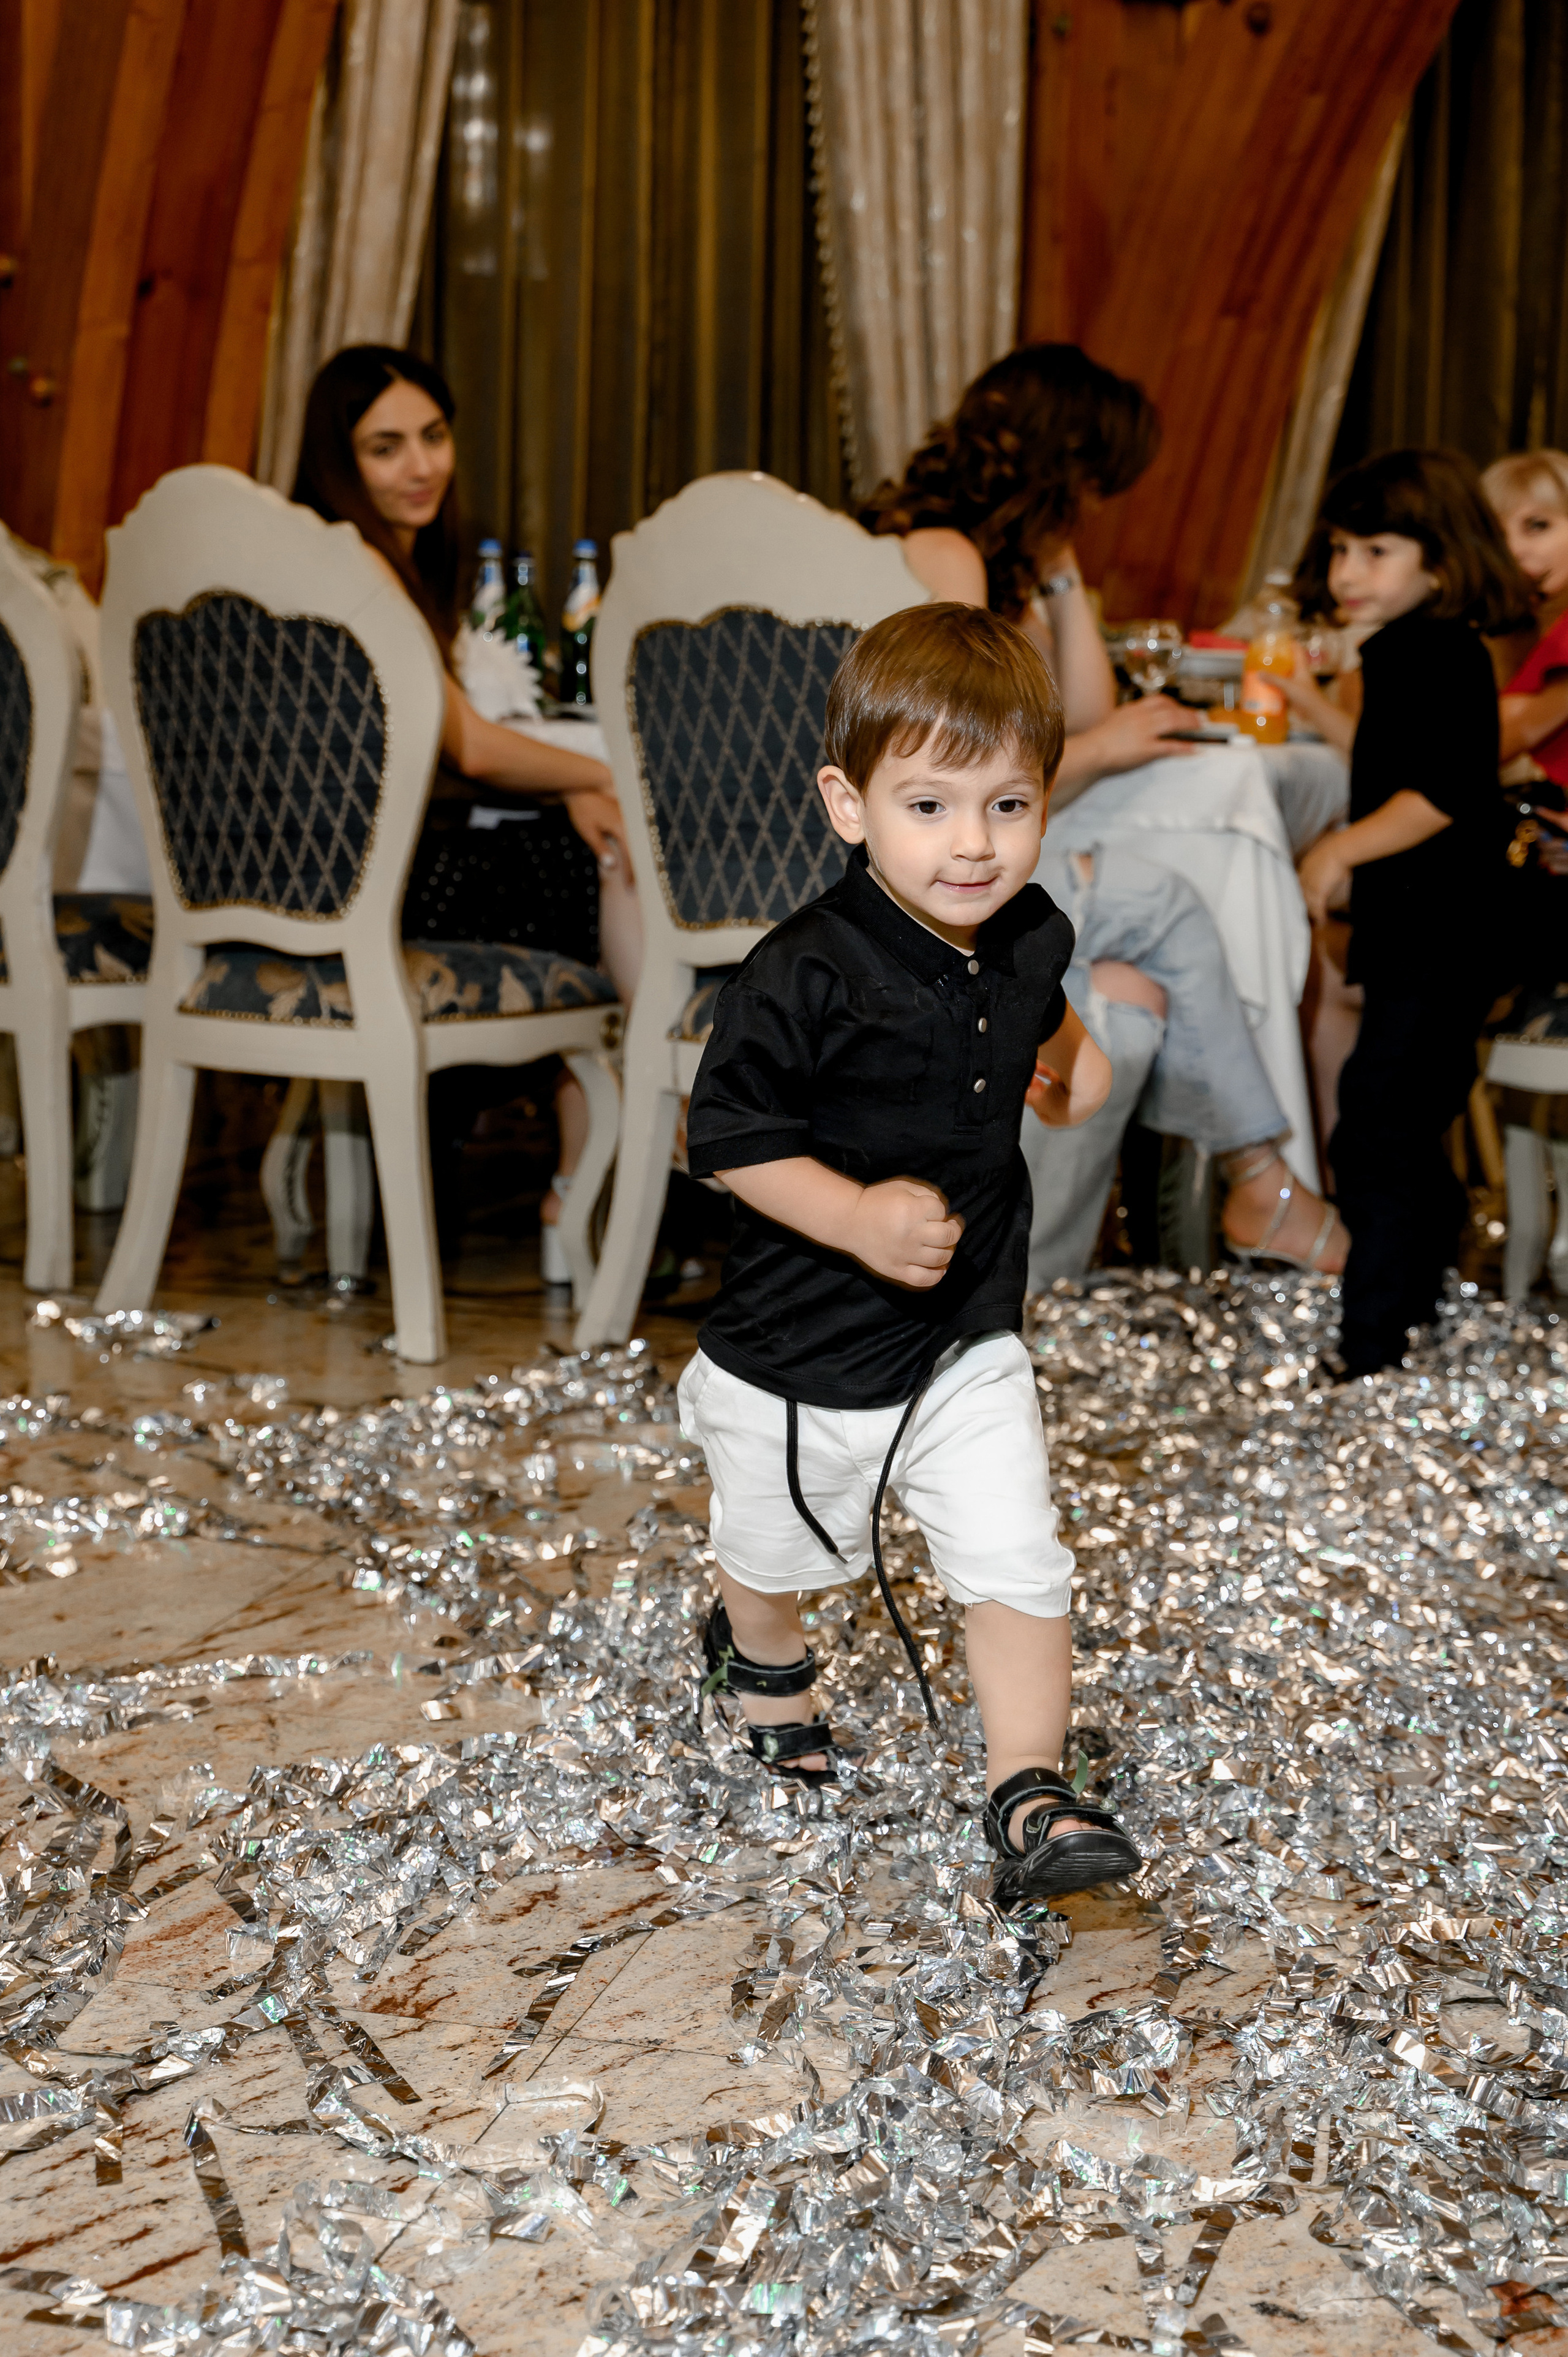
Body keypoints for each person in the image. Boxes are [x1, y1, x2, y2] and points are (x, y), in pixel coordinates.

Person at [679, 604, 1141, 1910]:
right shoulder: (801, 970)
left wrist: (1072, 1073)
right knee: (775, 1553)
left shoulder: (1030, 930)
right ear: (850, 805)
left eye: (1007, 805)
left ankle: (1027, 1788)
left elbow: (1040, 1024)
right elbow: (725, 1137)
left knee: (1014, 1551)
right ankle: (763, 1662)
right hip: (799, 1345)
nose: (972, 843)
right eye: (929, 807)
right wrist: (850, 1216)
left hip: (965, 1331)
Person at [861, 342, 1346, 1276]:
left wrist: (1061, 570)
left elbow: (1083, 711)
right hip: (923, 881)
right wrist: (1111, 748)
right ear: (1063, 467)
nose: (1094, 505)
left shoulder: (989, 563)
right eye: (1091, 484)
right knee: (1170, 905)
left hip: (951, 870)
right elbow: (958, 763)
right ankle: (1261, 1186)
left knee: (1128, 998)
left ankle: (1037, 1286)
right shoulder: (942, 554)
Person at [290, 345, 641, 1264]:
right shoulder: (358, 564)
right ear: (338, 461)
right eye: (386, 448)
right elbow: (471, 748)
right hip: (381, 895)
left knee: (585, 845)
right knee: (604, 857)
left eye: (434, 436)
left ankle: (608, 1162)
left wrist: (571, 788)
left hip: (360, 880)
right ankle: (637, 1133)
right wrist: (593, 779)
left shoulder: (357, 563)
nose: (421, 466)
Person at [1293, 450, 1532, 1377]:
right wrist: (1313, 707)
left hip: (1443, 932)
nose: (1347, 573)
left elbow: (1441, 791)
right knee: (1395, 1119)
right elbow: (1398, 755)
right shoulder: (1414, 648)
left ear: (1440, 561)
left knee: (1377, 1125)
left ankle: (1372, 1347)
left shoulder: (1434, 650)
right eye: (1341, 550)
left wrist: (1337, 850)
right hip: (1427, 933)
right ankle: (1420, 1296)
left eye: (1376, 551)